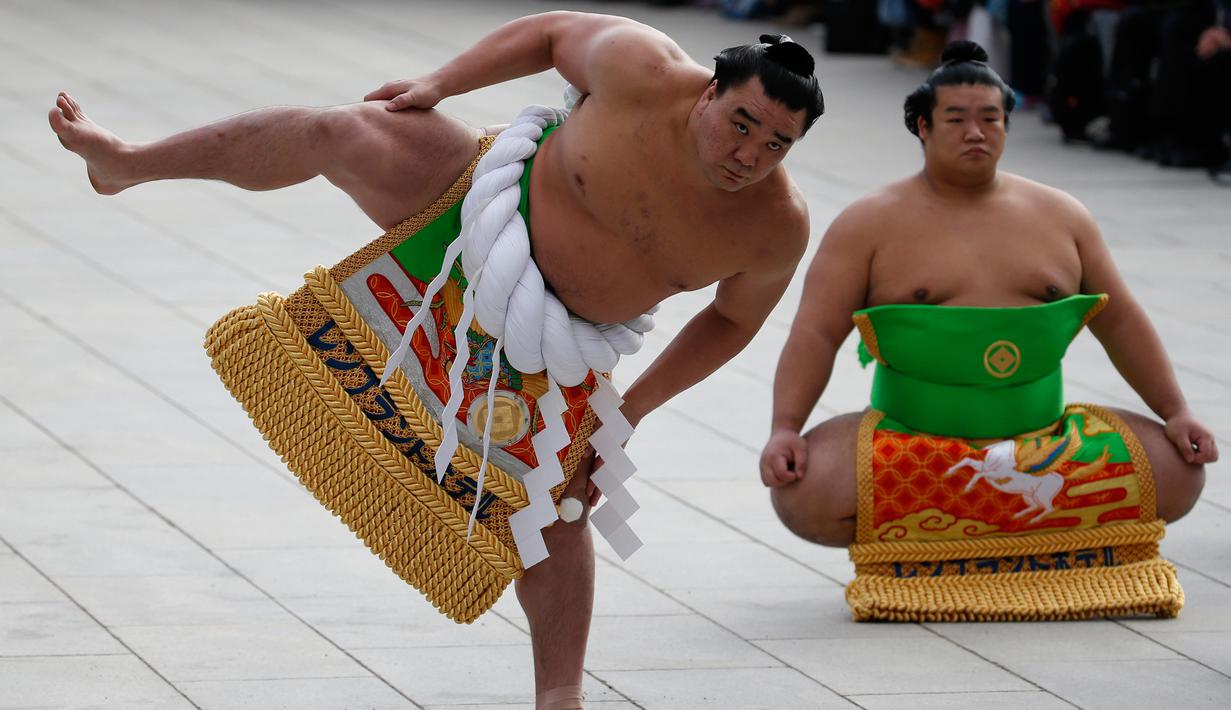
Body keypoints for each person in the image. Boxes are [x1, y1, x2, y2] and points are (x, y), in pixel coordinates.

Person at [49, 11, 821, 709]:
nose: (747, 153)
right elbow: (549, 34)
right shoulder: (637, 65)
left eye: (774, 144)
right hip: (478, 207)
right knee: (344, 129)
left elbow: (730, 319)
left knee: (559, 507)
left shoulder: (773, 227)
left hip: (554, 348)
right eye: (741, 122)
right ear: (708, 92)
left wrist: (629, 412)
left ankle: (561, 695)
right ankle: (127, 162)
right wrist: (439, 82)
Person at [761, 41, 1214, 558]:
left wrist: (1175, 411)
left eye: (990, 118)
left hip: (1044, 446)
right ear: (923, 127)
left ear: (1007, 125)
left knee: (1179, 473)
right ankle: (1018, 530)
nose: (975, 132)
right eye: (955, 119)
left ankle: (971, 530)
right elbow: (816, 333)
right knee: (805, 492)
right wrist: (785, 429)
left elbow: (1122, 320)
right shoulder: (868, 224)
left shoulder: (1064, 216)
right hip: (915, 444)